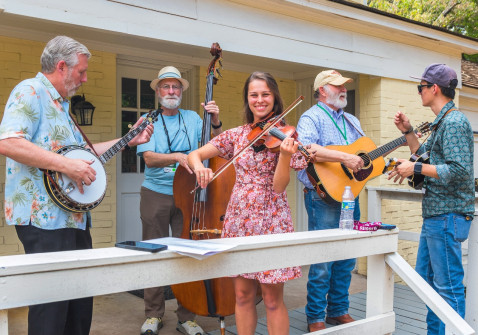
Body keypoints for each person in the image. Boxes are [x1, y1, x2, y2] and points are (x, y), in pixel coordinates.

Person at [0, 36, 153, 335]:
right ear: (61, 66)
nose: (84, 78)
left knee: (80, 299)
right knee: (52, 305)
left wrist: (128, 140)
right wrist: (66, 165)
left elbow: (84, 155)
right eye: (81, 72)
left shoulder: (62, 107)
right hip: (43, 218)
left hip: (73, 216)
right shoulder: (29, 92)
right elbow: (8, 142)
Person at [188, 71, 307, 335]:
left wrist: (285, 157)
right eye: (254, 95)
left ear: (274, 97)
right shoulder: (236, 135)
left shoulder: (285, 138)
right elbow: (194, 154)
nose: (260, 100)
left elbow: (278, 186)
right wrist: (199, 168)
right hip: (240, 219)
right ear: (247, 99)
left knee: (272, 298)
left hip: (272, 219)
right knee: (242, 295)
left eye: (265, 94)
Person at [388, 63, 474, 335]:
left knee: (448, 287)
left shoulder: (455, 122)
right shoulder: (442, 122)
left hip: (447, 216)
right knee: (427, 283)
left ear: (434, 88)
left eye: (421, 87)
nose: (419, 92)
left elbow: (460, 171)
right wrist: (408, 131)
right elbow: (424, 157)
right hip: (435, 215)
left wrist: (413, 168)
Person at [136, 66, 222, 335]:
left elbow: (218, 147)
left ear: (181, 91)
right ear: (158, 92)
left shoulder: (195, 118)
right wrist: (176, 157)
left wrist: (216, 120)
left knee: (188, 256)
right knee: (154, 254)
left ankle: (187, 316)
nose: (171, 91)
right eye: (166, 87)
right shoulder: (147, 120)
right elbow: (148, 158)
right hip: (156, 193)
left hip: (189, 195)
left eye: (176, 87)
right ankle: (153, 315)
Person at [296, 70, 365, 332]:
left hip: (350, 194)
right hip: (323, 196)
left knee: (347, 257)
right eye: (337, 86)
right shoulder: (311, 117)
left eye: (344, 86)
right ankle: (315, 316)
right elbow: (307, 149)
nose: (343, 89)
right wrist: (344, 158)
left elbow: (361, 156)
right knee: (323, 260)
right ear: (322, 90)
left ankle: (338, 310)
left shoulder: (352, 120)